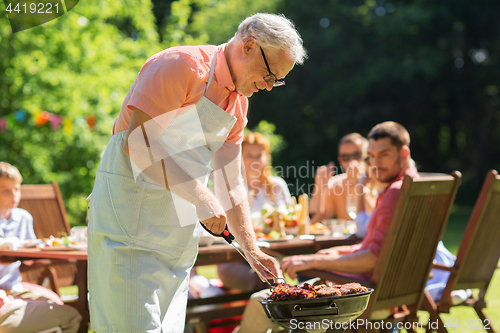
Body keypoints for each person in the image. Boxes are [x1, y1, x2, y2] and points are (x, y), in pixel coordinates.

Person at [88, 13, 307, 332]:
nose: (269, 87)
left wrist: (252, 249)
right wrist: (202, 196)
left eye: (277, 80)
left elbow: (231, 185)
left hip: (175, 244)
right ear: (248, 46)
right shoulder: (179, 64)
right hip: (128, 233)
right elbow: (139, 143)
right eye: (270, 75)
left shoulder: (238, 105)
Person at [235, 121, 467, 333]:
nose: (375, 164)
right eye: (372, 156)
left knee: (261, 303)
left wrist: (313, 261)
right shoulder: (417, 188)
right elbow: (373, 247)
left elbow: (373, 257)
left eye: (384, 155)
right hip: (394, 294)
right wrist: (326, 254)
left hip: (361, 298)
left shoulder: (396, 193)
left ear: (404, 153)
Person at [0, 162, 82, 332]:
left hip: (14, 286)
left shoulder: (23, 217)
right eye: (6, 191)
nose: (14, 195)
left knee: (54, 303)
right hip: (3, 295)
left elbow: (31, 253)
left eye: (16, 189)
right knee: (70, 316)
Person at [217, 132, 292, 292]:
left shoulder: (277, 186)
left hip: (273, 252)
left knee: (275, 275)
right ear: (240, 158)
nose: (254, 160)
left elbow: (290, 221)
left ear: (267, 157)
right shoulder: (233, 189)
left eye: (259, 155)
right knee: (267, 281)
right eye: (249, 155)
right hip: (234, 258)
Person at [309, 133, 369, 224]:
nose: (351, 161)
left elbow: (373, 218)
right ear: (340, 160)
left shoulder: (377, 180)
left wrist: (359, 183)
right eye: (346, 157)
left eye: (357, 155)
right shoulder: (335, 183)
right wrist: (319, 187)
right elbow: (315, 220)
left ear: (367, 156)